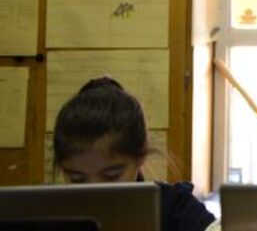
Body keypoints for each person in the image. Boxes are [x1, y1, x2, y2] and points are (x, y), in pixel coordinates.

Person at [52, 76, 217, 231]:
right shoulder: (48, 216)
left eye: (112, 176)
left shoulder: (175, 210)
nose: (94, 194)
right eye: (77, 180)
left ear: (140, 157)